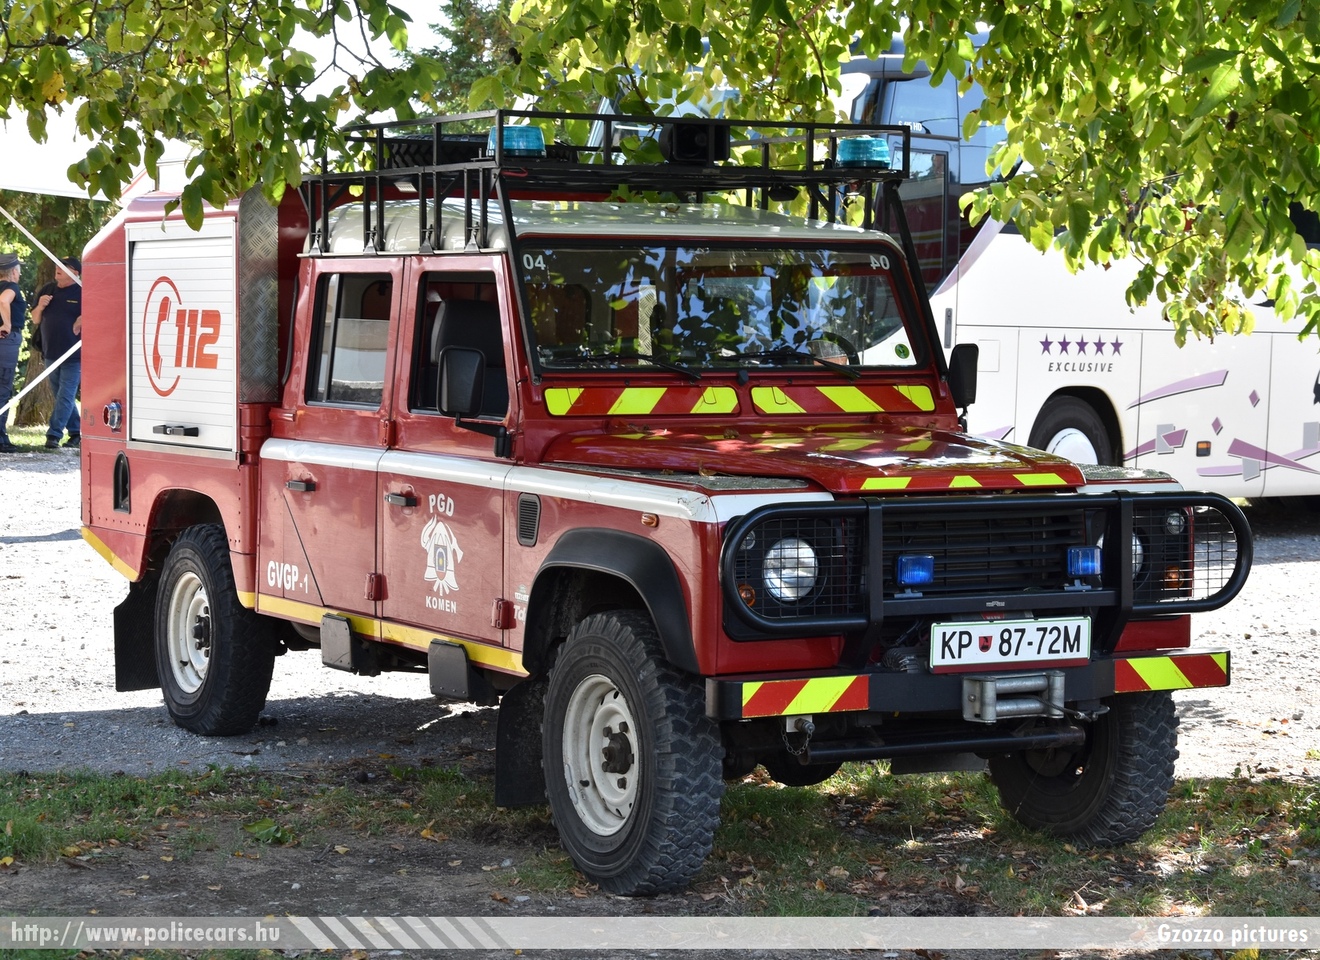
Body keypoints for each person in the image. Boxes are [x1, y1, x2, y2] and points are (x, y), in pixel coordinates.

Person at [29, 256, 82, 449]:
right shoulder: (48, 289)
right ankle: (76, 433)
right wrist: (41, 306)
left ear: (75, 273)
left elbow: (97, 312)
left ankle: (53, 435)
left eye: (64, 266)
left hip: (74, 355)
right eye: (57, 265)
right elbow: (35, 319)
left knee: (66, 395)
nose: (58, 268)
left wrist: (82, 318)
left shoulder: (83, 291)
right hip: (50, 352)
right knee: (60, 394)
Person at [0, 251, 26, 453]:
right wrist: (7, 324)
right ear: (13, 272)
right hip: (6, 341)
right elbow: (3, 300)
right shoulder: (11, 287)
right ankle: (1, 438)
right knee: (3, 388)